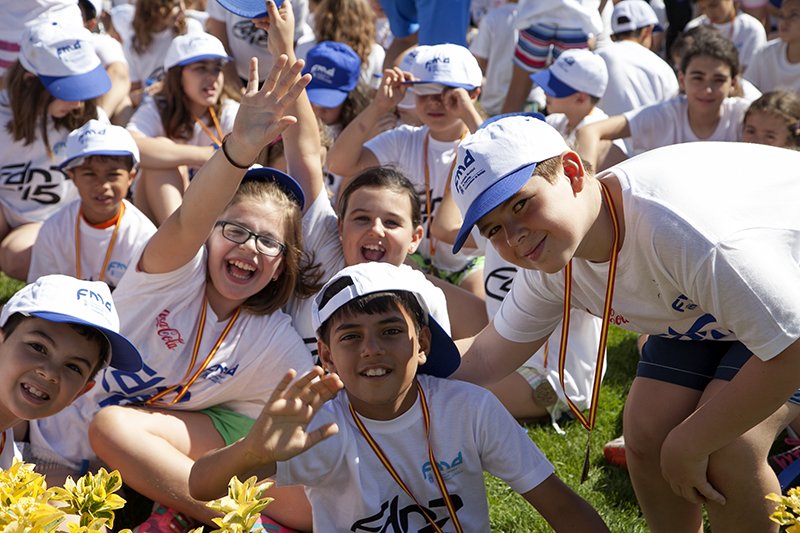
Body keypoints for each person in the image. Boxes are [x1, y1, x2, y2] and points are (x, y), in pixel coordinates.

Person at [447, 113, 800, 532]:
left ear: (573, 172)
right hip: (720, 307)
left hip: (788, 297)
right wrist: (404, 368)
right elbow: (487, 356)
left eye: (521, 204)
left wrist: (691, 443)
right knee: (646, 431)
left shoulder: (677, 229)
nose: (515, 236)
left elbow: (792, 347)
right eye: (494, 229)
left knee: (728, 447)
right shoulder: (550, 258)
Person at [28, 50, 317, 532]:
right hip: (60, 442)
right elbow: (187, 218)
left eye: (268, 241)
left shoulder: (272, 336)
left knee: (319, 501)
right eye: (236, 231)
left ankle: (242, 525)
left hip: (147, 454)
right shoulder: (172, 271)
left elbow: (315, 427)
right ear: (210, 234)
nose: (249, 248)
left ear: (283, 263)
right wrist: (239, 148)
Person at [188, 261, 612, 533]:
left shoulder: (470, 409)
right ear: (327, 354)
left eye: (391, 331)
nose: (372, 348)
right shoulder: (323, 428)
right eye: (351, 337)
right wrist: (249, 451)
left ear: (423, 342)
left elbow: (561, 506)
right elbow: (201, 485)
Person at [328, 44, 487, 297]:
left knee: (482, 316)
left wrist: (469, 113)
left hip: (467, 262)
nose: (435, 102)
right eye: (424, 93)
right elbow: (338, 163)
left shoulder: (483, 140)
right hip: (416, 258)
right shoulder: (404, 139)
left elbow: (498, 163)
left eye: (449, 94)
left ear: (474, 94)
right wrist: (379, 105)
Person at [0, 20, 111, 282]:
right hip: (6, 214)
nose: (78, 101)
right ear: (30, 82)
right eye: (67, 90)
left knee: (17, 256)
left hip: (56, 220)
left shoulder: (87, 115)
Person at [0, 274, 142, 468]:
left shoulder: (8, 452)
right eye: (38, 347)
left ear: (79, 393)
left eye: (73, 367)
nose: (50, 373)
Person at [576, 29, 749, 168]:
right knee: (603, 149)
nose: (707, 89)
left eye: (719, 80)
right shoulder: (665, 114)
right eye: (698, 78)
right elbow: (589, 131)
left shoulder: (743, 116)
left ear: (733, 83)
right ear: (682, 79)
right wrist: (587, 185)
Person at [27, 120, 156, 290]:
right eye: (89, 174)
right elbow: (40, 290)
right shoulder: (53, 229)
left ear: (131, 177)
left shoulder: (143, 235)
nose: (102, 185)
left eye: (113, 174)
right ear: (72, 177)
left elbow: (143, 300)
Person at [126, 33, 240, 225]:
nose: (212, 77)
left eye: (217, 68)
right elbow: (130, 147)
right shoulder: (157, 106)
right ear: (177, 75)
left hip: (212, 213)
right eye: (201, 68)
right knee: (163, 160)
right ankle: (184, 247)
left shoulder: (228, 110)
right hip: (157, 218)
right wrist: (207, 154)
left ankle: (191, 247)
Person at [499, 0, 603, 115]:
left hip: (537, 14)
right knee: (568, 97)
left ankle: (499, 130)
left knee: (517, 91)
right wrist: (592, 18)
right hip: (577, 19)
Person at [530, 49, 628, 171]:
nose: (545, 92)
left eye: (555, 88)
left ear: (580, 99)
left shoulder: (605, 142)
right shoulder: (557, 121)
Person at [596, 0, 680, 118]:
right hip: (650, 134)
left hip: (598, 134)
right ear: (647, 31)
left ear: (613, 37)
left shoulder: (595, 59)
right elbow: (674, 113)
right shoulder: (660, 66)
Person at [123, 0, 204, 105]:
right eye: (175, 5)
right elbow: (133, 92)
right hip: (153, 107)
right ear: (153, 9)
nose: (183, 8)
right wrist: (146, 93)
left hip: (186, 105)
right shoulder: (133, 43)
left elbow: (200, 75)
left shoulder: (189, 29)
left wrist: (165, 87)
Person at [684, 0, 766, 72]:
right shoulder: (694, 28)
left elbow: (751, 72)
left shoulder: (753, 29)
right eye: (703, 8)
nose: (709, 13)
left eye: (714, 5)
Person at [744, 0, 800, 96]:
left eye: (793, 15)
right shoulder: (764, 53)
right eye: (781, 15)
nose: (784, 21)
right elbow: (745, 91)